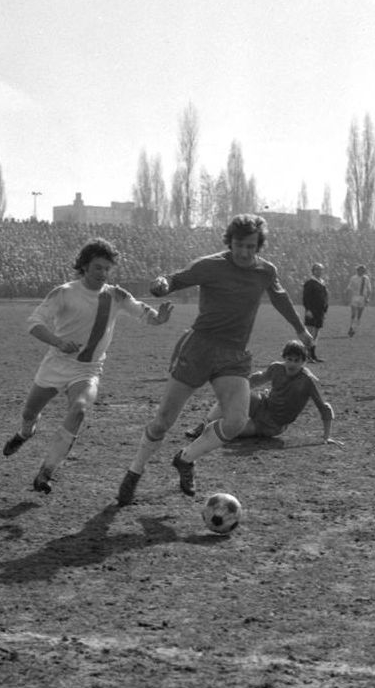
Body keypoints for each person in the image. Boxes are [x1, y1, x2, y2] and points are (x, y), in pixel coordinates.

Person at [115, 213, 315, 506]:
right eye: (239, 245)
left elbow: (280, 298)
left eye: (250, 246)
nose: (244, 252)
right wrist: (162, 283)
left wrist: (301, 330)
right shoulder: (210, 265)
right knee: (163, 422)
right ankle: (134, 472)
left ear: (259, 245)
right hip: (199, 349)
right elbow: (175, 279)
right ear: (229, 242)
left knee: (235, 422)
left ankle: (185, 459)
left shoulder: (266, 271)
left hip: (234, 355)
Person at [1, 238, 173, 493]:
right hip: (56, 365)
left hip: (88, 369)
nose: (103, 273)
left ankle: (46, 472)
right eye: (97, 268)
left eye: (107, 268)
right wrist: (58, 342)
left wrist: (160, 319)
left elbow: (143, 313)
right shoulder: (64, 292)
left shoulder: (115, 295)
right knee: (29, 413)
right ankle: (25, 433)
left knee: (79, 409)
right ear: (84, 266)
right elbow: (34, 323)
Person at [184, 339, 340, 445]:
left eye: (296, 360)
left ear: (304, 362)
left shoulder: (308, 381)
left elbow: (324, 407)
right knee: (233, 394)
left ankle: (210, 430)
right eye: (289, 359)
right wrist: (237, 387)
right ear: (284, 357)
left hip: (272, 425)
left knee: (230, 432)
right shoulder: (276, 368)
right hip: (262, 405)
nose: (292, 364)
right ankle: (202, 426)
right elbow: (258, 379)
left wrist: (327, 437)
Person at [301, 263, 328, 363]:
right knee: (310, 333)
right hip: (312, 311)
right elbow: (306, 297)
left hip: (320, 311)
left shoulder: (322, 282)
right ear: (313, 271)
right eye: (317, 270)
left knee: (316, 334)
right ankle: (306, 355)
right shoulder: (310, 283)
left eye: (321, 270)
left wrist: (325, 309)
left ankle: (313, 354)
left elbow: (325, 297)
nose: (319, 272)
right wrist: (308, 309)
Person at [346, 264, 372, 336]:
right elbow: (349, 287)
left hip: (362, 298)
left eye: (362, 270)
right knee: (353, 313)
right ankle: (351, 327)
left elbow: (369, 289)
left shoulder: (366, 279)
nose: (360, 272)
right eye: (359, 270)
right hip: (355, 297)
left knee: (359, 315)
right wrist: (348, 296)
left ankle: (355, 329)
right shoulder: (353, 278)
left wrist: (368, 298)